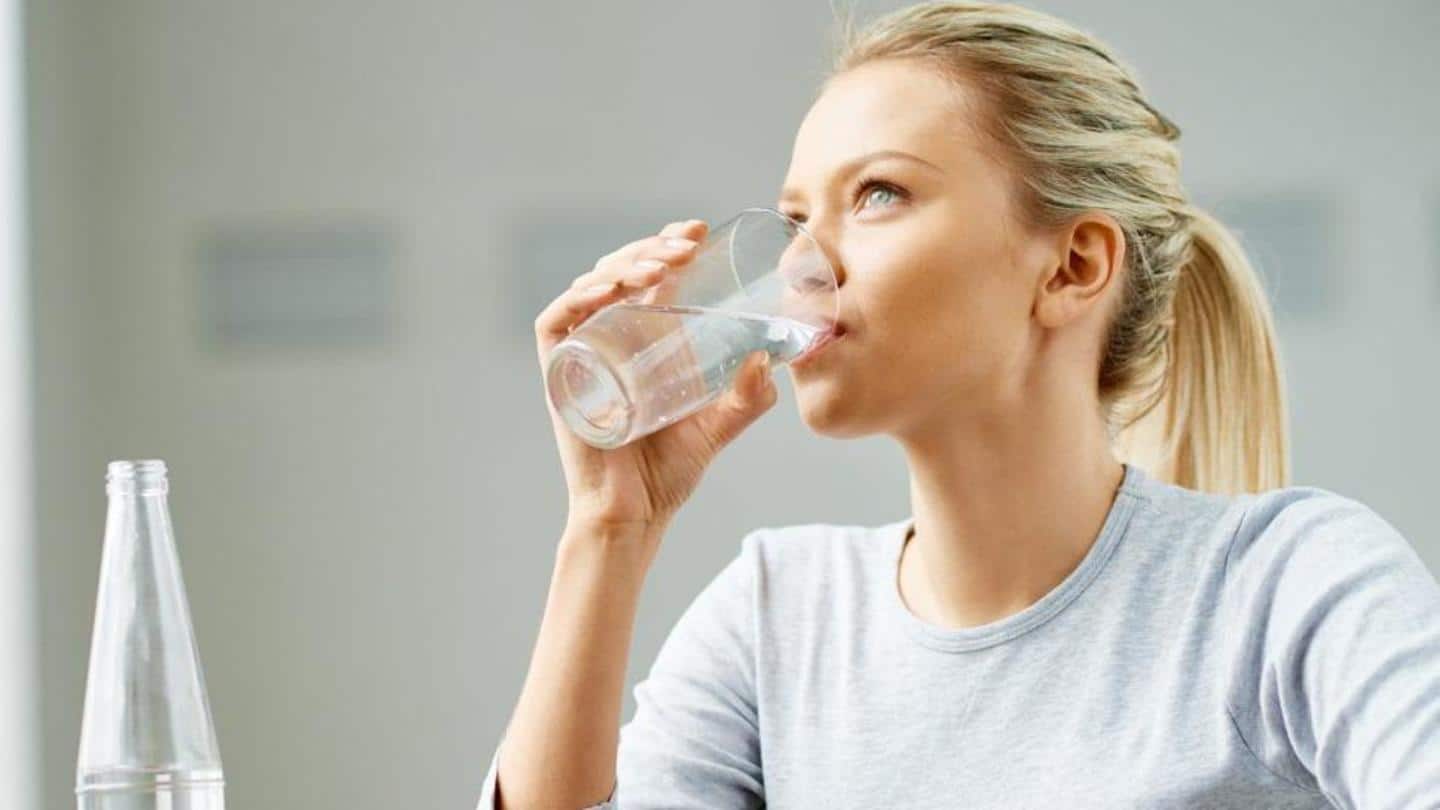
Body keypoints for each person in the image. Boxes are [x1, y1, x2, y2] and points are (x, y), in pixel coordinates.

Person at [478, 2, 1440, 807]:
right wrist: (609, 527)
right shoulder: (777, 614)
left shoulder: (1286, 586)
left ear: (1071, 266)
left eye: (880, 194)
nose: (803, 265)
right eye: (797, 219)